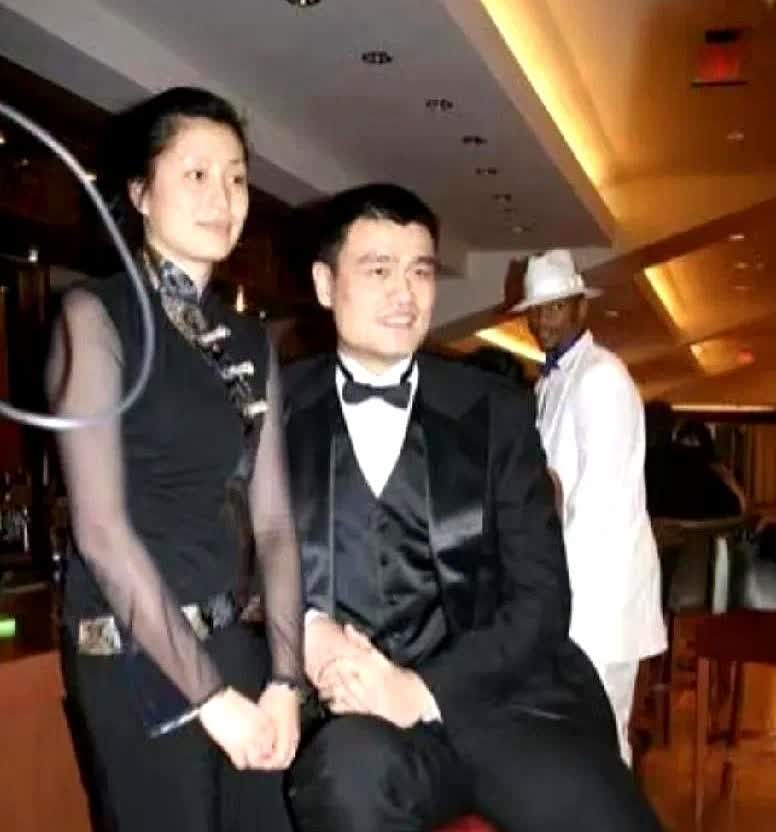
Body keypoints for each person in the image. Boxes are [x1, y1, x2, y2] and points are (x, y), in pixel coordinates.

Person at [282, 184, 662, 831]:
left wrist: (421, 690)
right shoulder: (272, 408)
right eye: (378, 270)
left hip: (505, 704)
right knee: (345, 778)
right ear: (325, 283)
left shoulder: (495, 410)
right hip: (356, 717)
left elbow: (543, 600)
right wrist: (310, 632)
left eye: (420, 271)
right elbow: (237, 561)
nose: (405, 294)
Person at [46, 87, 302, 832]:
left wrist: (286, 680)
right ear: (139, 193)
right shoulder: (95, 315)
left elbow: (275, 525)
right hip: (135, 654)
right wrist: (209, 698)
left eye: (236, 177)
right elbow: (100, 533)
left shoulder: (251, 341)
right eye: (195, 173)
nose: (222, 196)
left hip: (233, 641)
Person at [517, 249, 666, 764]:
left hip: (601, 594)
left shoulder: (601, 377)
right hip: (574, 590)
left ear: (582, 307)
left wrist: (553, 589)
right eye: (535, 311)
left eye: (555, 307)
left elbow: (600, 501)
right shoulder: (551, 381)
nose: (542, 320)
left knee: (602, 733)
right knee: (576, 736)